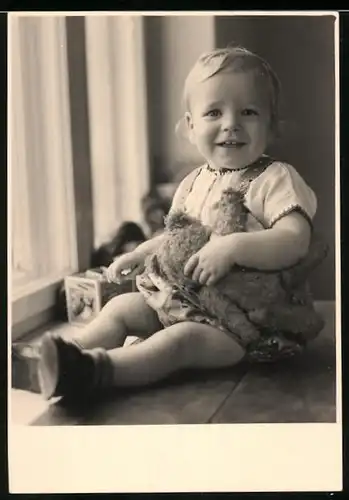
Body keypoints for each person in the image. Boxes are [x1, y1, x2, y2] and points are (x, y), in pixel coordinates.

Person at [38, 44, 319, 400]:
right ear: (190, 126)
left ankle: (98, 373)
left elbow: (295, 238)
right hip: (180, 297)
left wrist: (233, 247)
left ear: (272, 126)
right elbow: (179, 238)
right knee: (121, 309)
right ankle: (67, 356)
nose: (231, 123)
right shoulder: (193, 182)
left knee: (178, 342)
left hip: (243, 325)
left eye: (248, 112)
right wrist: (143, 251)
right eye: (214, 112)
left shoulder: (275, 179)